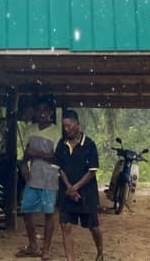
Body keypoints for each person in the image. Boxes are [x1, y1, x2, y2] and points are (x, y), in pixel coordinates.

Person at [54, 110, 103, 261]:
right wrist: (69, 188)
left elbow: (92, 172)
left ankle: (100, 251)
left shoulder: (89, 145)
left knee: (93, 226)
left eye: (69, 125)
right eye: (64, 126)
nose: (66, 129)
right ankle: (71, 258)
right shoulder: (61, 145)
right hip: (67, 193)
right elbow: (60, 169)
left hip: (87, 194)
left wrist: (75, 188)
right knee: (65, 225)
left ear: (77, 125)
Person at [16, 99, 60, 260]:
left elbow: (56, 158)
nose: (42, 113)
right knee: (26, 211)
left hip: (49, 179)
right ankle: (33, 244)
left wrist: (37, 154)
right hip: (33, 177)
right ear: (35, 112)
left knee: (49, 214)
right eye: (39, 110)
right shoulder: (30, 129)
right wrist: (24, 166)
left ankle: (46, 249)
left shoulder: (56, 132)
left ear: (50, 113)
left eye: (45, 110)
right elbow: (26, 153)